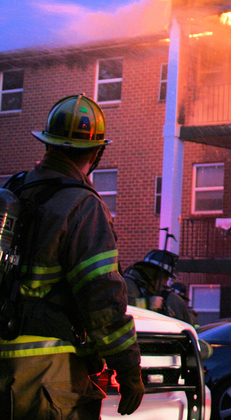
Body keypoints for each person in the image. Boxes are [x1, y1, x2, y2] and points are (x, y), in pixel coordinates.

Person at [0, 94, 143, 418]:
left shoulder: (14, 191)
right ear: (97, 152)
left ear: (47, 144)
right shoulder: (83, 206)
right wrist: (128, 370)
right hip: (48, 379)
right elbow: (102, 298)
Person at [124, 249, 197, 326]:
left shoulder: (164, 294)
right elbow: (118, 308)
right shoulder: (128, 285)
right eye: (166, 277)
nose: (165, 282)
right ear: (156, 274)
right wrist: (148, 304)